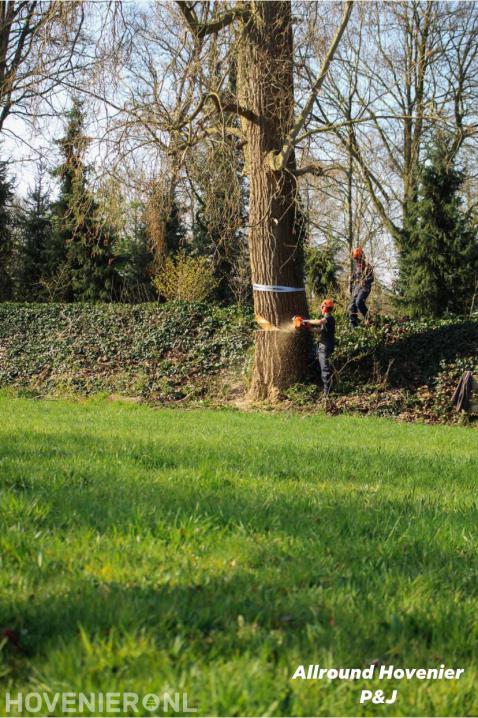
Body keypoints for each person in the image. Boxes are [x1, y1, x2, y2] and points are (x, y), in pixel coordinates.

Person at [295, 299, 335, 395]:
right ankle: (317, 384)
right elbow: (320, 331)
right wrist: (308, 327)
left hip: (325, 347)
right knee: (312, 360)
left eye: (322, 307)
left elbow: (319, 321)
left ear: (325, 308)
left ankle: (327, 392)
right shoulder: (326, 321)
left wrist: (304, 320)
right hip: (321, 346)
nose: (321, 309)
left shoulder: (328, 318)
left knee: (325, 369)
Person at [349, 247, 374, 328]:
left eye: (358, 258)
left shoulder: (367, 266)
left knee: (359, 302)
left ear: (361, 256)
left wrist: (365, 281)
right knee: (352, 306)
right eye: (355, 259)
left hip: (364, 287)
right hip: (356, 288)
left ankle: (368, 319)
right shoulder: (356, 268)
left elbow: (371, 278)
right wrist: (350, 285)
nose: (356, 260)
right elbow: (352, 278)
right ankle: (353, 327)